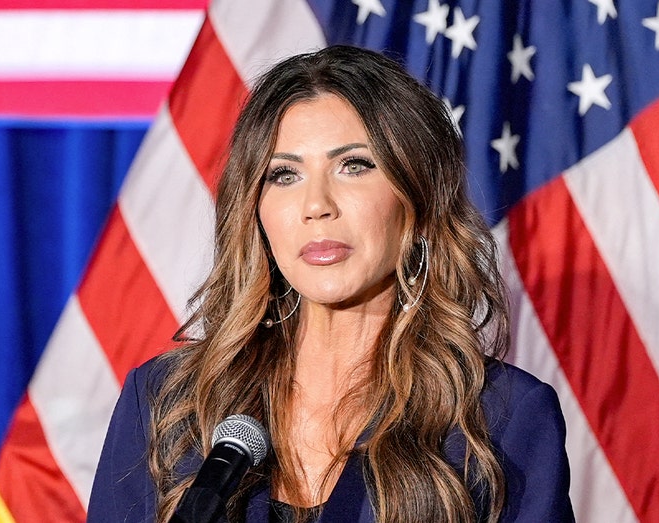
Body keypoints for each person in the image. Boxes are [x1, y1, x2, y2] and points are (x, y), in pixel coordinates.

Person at [87, 45, 574, 523]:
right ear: (256, 213)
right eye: (284, 175)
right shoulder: (165, 402)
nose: (316, 205)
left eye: (353, 166)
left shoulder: (504, 418)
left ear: (419, 200)